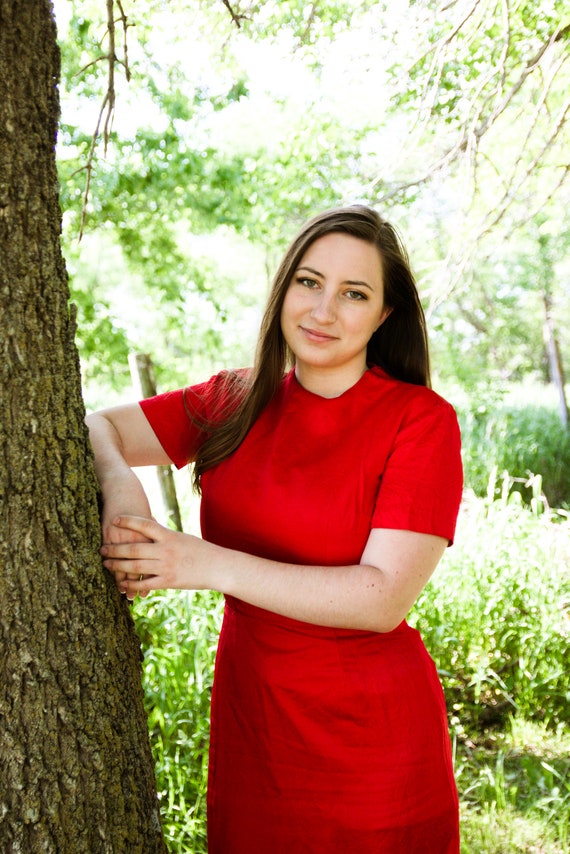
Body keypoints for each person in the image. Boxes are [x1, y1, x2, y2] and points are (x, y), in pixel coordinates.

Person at [86, 204, 463, 853]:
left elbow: (383, 598)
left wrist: (201, 564)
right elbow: (101, 425)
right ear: (284, 287)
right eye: (309, 282)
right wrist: (123, 482)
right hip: (255, 723)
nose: (323, 310)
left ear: (385, 314)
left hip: (370, 740)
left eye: (354, 293)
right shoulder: (234, 400)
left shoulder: (419, 421)